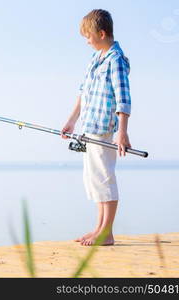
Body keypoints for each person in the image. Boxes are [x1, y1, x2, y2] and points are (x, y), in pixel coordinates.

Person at [61, 9, 132, 246]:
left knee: (104, 178)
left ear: (102, 33)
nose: (87, 41)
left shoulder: (116, 60)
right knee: (93, 180)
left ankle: (107, 233)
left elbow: (123, 98)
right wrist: (71, 120)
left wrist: (122, 132)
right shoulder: (96, 58)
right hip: (88, 126)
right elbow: (83, 92)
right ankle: (99, 228)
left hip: (104, 129)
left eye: (88, 36)